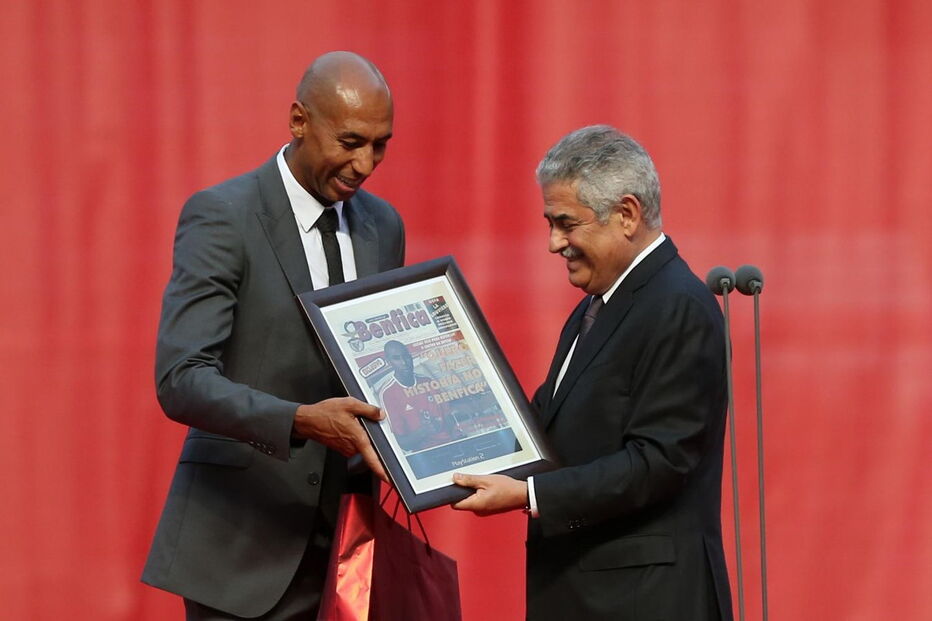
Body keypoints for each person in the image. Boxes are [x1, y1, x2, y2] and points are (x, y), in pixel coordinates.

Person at [141, 51, 404, 620]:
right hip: (242, 546)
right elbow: (181, 379)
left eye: (380, 145)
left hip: (349, 547)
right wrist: (301, 421)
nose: (365, 164)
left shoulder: (384, 225)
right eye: (350, 142)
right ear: (299, 121)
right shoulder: (223, 215)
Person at [452, 126, 733, 620]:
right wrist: (431, 437)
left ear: (626, 214)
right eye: (550, 223)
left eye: (567, 224)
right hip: (593, 595)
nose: (553, 243)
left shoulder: (678, 306)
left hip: (646, 601)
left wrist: (530, 493)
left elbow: (659, 461)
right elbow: (545, 423)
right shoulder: (599, 305)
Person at [378, 339, 459, 452]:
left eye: (406, 356)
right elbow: (403, 444)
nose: (404, 362)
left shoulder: (427, 381)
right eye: (396, 358)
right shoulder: (388, 393)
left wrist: (453, 434)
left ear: (410, 357)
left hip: (450, 443)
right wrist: (424, 431)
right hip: (426, 453)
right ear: (389, 362)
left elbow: (449, 417)